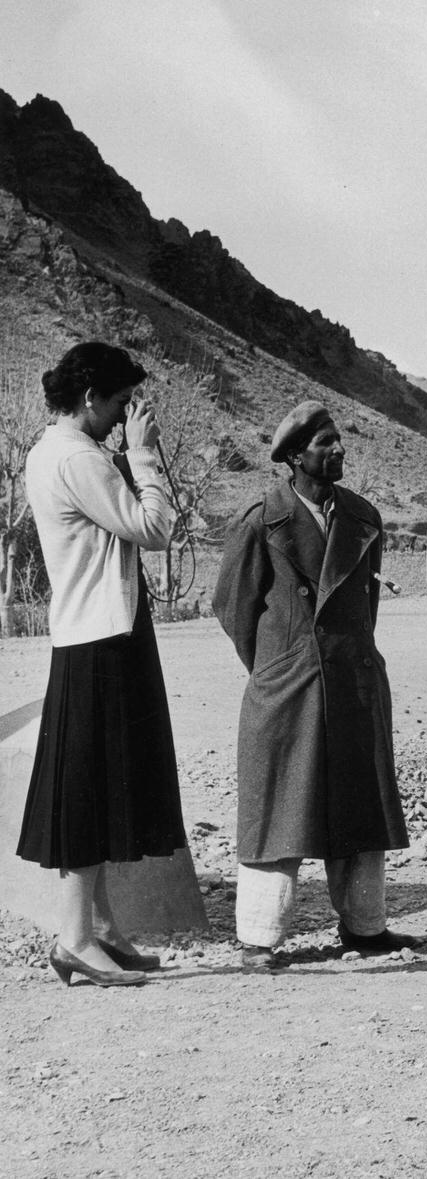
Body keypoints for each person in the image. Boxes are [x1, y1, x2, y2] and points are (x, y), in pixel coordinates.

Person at [213, 401, 418, 971]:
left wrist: (349, 657)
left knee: (360, 804)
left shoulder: (363, 517)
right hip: (288, 687)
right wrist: (279, 665)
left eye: (339, 441)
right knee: (278, 809)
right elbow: (233, 608)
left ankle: (366, 927)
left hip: (353, 680)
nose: (339, 450)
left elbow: (365, 608)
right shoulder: (260, 521)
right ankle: (259, 939)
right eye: (326, 443)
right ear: (295, 456)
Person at [19, 341, 186, 987]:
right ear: (91, 397)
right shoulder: (79, 458)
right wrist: (142, 453)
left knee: (103, 781)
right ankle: (75, 939)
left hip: (90, 630)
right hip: (103, 636)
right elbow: (155, 527)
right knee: (90, 789)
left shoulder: (47, 449)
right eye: (118, 403)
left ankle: (104, 930)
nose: (122, 416)